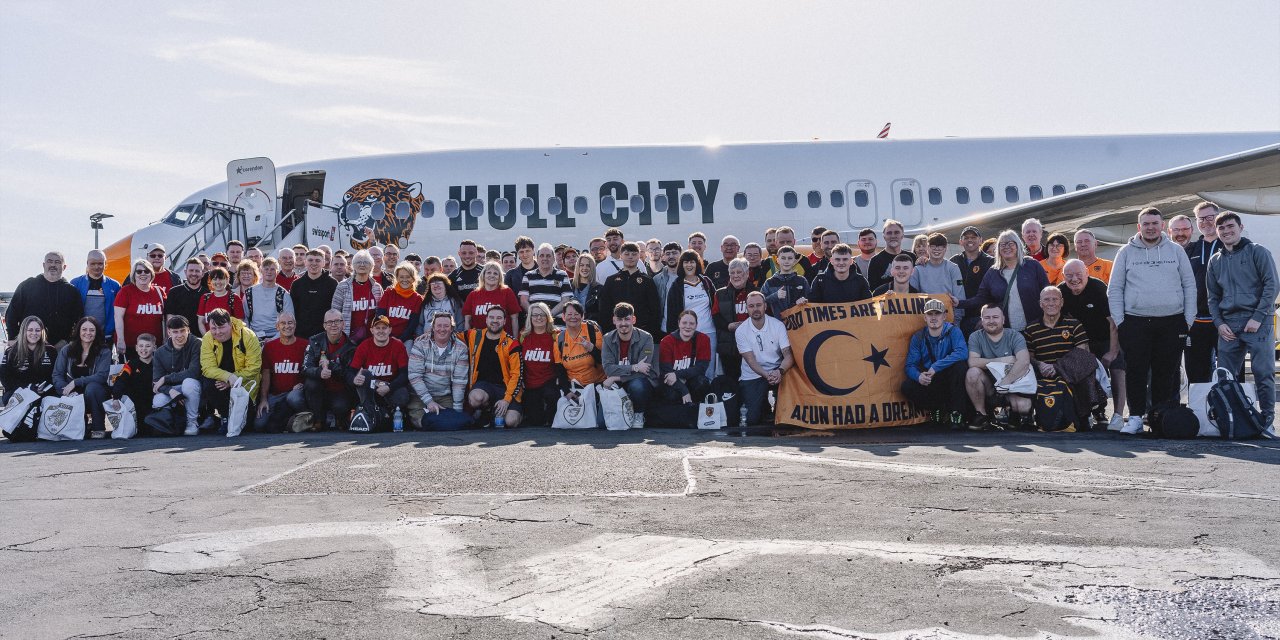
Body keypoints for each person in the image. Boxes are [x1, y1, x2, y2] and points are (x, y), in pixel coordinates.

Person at [1108, 207, 1197, 434]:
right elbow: (1115, 289)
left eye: (1154, 223)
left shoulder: (1176, 251)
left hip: (1172, 322)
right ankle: (1136, 417)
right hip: (1135, 322)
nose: (1150, 227)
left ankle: (1159, 418)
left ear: (1162, 226)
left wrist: (1187, 320)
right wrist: (1121, 321)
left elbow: (1189, 285)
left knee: (1165, 373)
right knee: (1136, 371)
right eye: (1145, 224)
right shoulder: (1126, 252)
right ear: (1139, 227)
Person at [1206, 211, 1277, 433]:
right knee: (1225, 375)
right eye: (1222, 228)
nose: (1226, 231)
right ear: (1217, 232)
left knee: (1263, 373)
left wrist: (1257, 317)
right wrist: (1219, 323)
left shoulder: (1258, 252)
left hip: (1259, 323)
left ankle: (1266, 421)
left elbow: (1272, 285)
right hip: (1229, 325)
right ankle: (1234, 419)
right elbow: (1213, 296)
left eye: (1230, 226)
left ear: (1240, 227)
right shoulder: (1215, 260)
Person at [1059, 260, 1127, 430]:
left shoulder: (1099, 288)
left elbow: (1113, 322)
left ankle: (1118, 415)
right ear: (1063, 276)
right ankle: (1087, 412)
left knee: (1118, 365)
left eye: (1078, 274)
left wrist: (1112, 352)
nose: (1074, 279)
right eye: (1069, 275)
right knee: (1076, 367)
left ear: (1087, 274)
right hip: (1079, 343)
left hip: (1105, 339)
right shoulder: (1060, 291)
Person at [1023, 287, 1091, 428]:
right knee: (1024, 367)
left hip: (1068, 372)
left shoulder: (1074, 324)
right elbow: (1028, 356)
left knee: (1087, 362)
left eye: (1055, 299)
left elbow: (1082, 352)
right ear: (1040, 304)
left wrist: (1058, 367)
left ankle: (1085, 415)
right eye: (1046, 300)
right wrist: (1040, 365)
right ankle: (1026, 415)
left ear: (1062, 302)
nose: (1051, 303)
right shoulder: (1031, 328)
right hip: (1041, 371)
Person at [958, 230, 1050, 331]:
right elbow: (981, 298)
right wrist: (959, 303)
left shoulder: (1032, 265)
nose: (1007, 247)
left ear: (1018, 245)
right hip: (1007, 331)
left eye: (1011, 243)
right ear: (998, 249)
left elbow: (1047, 292)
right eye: (1002, 244)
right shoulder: (993, 272)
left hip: (1036, 327)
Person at [965, 305, 1033, 431]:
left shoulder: (1015, 335)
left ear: (1003, 319)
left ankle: (1015, 413)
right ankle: (982, 416)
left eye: (995, 317)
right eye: (987, 317)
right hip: (989, 387)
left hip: (1012, 384)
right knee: (972, 373)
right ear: (982, 320)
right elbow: (972, 362)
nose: (991, 321)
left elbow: (1024, 361)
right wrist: (1001, 360)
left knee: (1024, 407)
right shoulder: (975, 337)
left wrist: (1005, 383)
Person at [406, 311, 472, 430]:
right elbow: (415, 377)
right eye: (439, 326)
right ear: (433, 328)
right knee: (424, 423)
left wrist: (457, 412)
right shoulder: (420, 345)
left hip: (445, 396)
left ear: (452, 328)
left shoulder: (461, 348)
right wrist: (429, 401)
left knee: (455, 423)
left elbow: (459, 382)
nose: (442, 329)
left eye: (446, 326)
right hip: (420, 397)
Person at [735, 292, 793, 426]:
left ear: (765, 306)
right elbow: (751, 361)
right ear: (747, 308)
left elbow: (788, 356)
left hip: (778, 370)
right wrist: (767, 375)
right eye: (751, 306)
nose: (755, 309)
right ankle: (764, 408)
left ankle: (778, 409)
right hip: (753, 374)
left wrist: (779, 371)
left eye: (758, 305)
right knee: (752, 419)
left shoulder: (778, 325)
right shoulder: (741, 331)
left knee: (785, 420)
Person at [199, 308, 262, 430]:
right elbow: (207, 368)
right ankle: (224, 416)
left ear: (230, 324)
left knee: (248, 426)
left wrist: (234, 380)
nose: (218, 332)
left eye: (221, 327)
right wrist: (228, 377)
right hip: (222, 382)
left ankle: (240, 415)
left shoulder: (248, 336)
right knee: (208, 382)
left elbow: (254, 368)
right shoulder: (208, 338)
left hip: (245, 385)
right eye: (213, 328)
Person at [5, 251, 83, 348]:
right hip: (29, 345)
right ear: (43, 265)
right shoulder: (27, 286)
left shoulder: (72, 292)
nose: (53, 265)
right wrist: (13, 338)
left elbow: (78, 320)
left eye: (57, 262)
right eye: (49, 261)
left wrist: (67, 341)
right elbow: (12, 313)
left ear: (64, 267)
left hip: (59, 348)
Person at [463, 307, 523, 428]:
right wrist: (429, 334)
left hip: (506, 389)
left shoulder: (512, 343)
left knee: (511, 421)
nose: (495, 320)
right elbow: (450, 335)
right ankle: (487, 410)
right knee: (476, 398)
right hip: (484, 386)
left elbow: (517, 375)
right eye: (492, 317)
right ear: (486, 320)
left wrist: (506, 400)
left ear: (505, 321)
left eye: (499, 318)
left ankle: (517, 413)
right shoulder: (475, 335)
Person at [1184, 201, 1224, 384]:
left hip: (1225, 321)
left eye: (1211, 217)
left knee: (1229, 371)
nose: (1206, 222)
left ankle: (1233, 410)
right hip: (1196, 322)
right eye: (1202, 218)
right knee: (1196, 373)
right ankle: (1200, 411)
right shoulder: (1188, 250)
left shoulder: (1230, 246)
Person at [53, 317, 113, 437]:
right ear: (78, 331)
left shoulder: (104, 351)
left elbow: (101, 376)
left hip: (96, 393)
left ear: (97, 332)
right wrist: (64, 389)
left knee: (92, 388)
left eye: (92, 330)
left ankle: (98, 427)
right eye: (84, 329)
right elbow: (57, 374)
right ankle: (80, 426)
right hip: (73, 393)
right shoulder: (67, 350)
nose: (88, 333)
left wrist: (76, 382)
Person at [601, 302, 658, 426]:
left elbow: (645, 371)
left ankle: (639, 414)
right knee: (601, 423)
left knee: (638, 386)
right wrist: (635, 367)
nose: (623, 324)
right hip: (617, 383)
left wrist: (616, 377)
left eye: (627, 319)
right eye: (619, 319)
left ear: (633, 319)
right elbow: (608, 369)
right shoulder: (607, 338)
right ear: (614, 320)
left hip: (637, 381)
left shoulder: (646, 338)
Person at [349, 313, 412, 423]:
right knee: (362, 376)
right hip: (370, 389)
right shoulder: (363, 346)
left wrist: (389, 387)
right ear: (372, 330)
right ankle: (367, 413)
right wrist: (354, 379)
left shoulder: (398, 345)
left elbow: (404, 374)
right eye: (377, 328)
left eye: (384, 328)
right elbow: (351, 371)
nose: (381, 331)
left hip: (390, 387)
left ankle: (390, 416)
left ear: (390, 330)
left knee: (402, 396)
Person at [301, 310, 357, 431]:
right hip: (320, 389)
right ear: (324, 325)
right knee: (311, 384)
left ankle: (340, 418)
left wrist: (331, 365)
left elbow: (349, 375)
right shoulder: (314, 341)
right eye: (330, 322)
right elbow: (305, 367)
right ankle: (318, 420)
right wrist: (319, 372)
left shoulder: (352, 346)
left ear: (343, 324)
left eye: (337, 321)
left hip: (340, 390)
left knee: (340, 407)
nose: (333, 324)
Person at [254, 313, 309, 433]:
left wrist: (303, 384)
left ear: (295, 325)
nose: (287, 326)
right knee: (259, 424)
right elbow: (266, 374)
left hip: (295, 393)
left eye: (290, 323)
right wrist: (264, 399)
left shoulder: (305, 345)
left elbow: (309, 370)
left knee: (294, 398)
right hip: (276, 395)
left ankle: (306, 418)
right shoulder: (269, 347)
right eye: (283, 323)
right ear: (277, 326)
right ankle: (291, 420)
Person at [666, 249, 718, 374]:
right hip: (687, 333)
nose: (689, 265)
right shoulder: (677, 285)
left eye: (692, 262)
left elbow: (715, 305)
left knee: (709, 369)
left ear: (697, 263)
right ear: (681, 264)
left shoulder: (706, 282)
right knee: (689, 369)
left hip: (709, 331)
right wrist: (674, 335)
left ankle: (709, 393)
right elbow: (672, 314)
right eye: (686, 262)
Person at [152, 316, 203, 436]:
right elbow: (155, 382)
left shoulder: (197, 343)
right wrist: (170, 391)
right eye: (175, 332)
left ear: (188, 330)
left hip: (195, 387)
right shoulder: (160, 352)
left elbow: (193, 372)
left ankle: (192, 422)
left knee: (188, 383)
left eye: (182, 331)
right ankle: (172, 423)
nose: (179, 335)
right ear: (169, 332)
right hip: (173, 390)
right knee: (158, 400)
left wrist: (166, 378)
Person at [600, 242, 661, 336]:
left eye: (634, 254)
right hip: (617, 332)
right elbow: (605, 309)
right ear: (621, 256)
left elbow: (655, 310)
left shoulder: (647, 281)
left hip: (642, 332)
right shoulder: (611, 281)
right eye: (627, 254)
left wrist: (650, 331)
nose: (630, 257)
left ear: (639, 256)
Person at [512, 303, 559, 426]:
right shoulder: (523, 336)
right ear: (530, 318)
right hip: (530, 384)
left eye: (542, 314)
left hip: (549, 382)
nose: (539, 318)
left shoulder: (555, 335)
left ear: (548, 317)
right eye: (535, 315)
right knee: (535, 421)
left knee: (551, 398)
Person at [115, 259, 167, 360]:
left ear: (151, 274)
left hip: (155, 347)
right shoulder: (125, 291)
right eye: (139, 271)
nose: (143, 274)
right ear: (134, 274)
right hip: (131, 346)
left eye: (146, 271)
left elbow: (166, 317)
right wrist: (120, 340)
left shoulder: (159, 291)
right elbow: (118, 317)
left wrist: (166, 338)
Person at [658, 310, 712, 405]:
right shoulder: (666, 341)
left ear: (696, 325)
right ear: (679, 323)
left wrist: (677, 374)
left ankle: (696, 409)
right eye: (684, 323)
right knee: (671, 394)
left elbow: (701, 368)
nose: (688, 326)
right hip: (672, 381)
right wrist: (684, 391)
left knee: (702, 382)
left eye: (692, 323)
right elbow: (666, 373)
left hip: (690, 378)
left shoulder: (704, 339)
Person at [713, 258, 754, 380]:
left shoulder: (756, 292)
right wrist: (728, 326)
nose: (735, 276)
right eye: (732, 273)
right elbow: (715, 316)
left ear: (746, 274)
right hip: (728, 345)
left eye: (739, 272)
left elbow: (763, 315)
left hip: (752, 345)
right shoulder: (719, 294)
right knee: (731, 380)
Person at [70, 250, 122, 347]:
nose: (96, 267)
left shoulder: (114, 286)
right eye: (93, 263)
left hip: (105, 337)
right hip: (82, 336)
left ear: (105, 264)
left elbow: (119, 313)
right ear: (87, 263)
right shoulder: (75, 283)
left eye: (100, 263)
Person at [331, 249, 383, 345]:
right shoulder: (343, 286)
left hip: (372, 339)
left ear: (371, 266)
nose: (362, 265)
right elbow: (335, 312)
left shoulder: (376, 287)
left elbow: (381, 312)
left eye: (366, 262)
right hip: (348, 339)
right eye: (358, 262)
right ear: (353, 265)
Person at [1, 316, 57, 404]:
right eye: (30, 330)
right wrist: (28, 389)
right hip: (18, 394)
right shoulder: (11, 352)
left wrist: (43, 389)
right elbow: (5, 378)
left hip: (44, 393)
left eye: (37, 330)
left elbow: (55, 376)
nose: (34, 333)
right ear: (24, 331)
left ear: (42, 332)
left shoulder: (51, 351)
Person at [554, 300, 606, 393]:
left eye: (577, 314)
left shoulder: (592, 330)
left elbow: (605, 361)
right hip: (574, 388)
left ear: (582, 316)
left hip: (598, 385)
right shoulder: (559, 338)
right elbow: (560, 369)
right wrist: (567, 392)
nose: (573, 317)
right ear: (563, 317)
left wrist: (592, 349)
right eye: (569, 314)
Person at [950, 227, 995, 335]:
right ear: (961, 241)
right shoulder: (954, 261)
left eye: (973, 237)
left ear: (980, 240)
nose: (970, 240)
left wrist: (985, 318)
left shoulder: (990, 262)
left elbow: (993, 294)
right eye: (966, 237)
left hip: (978, 319)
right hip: (957, 317)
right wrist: (924, 260)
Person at [462, 261, 521, 336]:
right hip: (478, 341)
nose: (492, 275)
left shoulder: (507, 292)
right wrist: (468, 341)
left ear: (500, 277)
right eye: (489, 273)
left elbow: (514, 319)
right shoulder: (473, 295)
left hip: (503, 341)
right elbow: (467, 321)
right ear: (483, 275)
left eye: (495, 273)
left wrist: (515, 341)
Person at [110, 333, 156, 425]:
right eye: (141, 346)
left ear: (154, 348)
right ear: (136, 348)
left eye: (148, 346)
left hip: (153, 402)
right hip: (135, 403)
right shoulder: (130, 365)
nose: (144, 349)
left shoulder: (158, 364)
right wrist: (116, 398)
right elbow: (120, 380)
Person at [244, 257, 295, 342]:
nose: (269, 271)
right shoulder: (249, 293)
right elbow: (245, 318)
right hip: (254, 336)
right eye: (266, 269)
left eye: (272, 269)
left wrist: (273, 339)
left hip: (277, 336)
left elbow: (290, 321)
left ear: (277, 272)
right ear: (261, 270)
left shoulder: (283, 294)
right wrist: (252, 336)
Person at [911, 232, 965, 311]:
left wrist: (956, 321)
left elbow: (959, 297)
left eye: (940, 246)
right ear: (928, 248)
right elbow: (912, 297)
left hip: (949, 318)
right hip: (925, 317)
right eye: (933, 246)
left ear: (945, 248)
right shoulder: (918, 269)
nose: (937, 249)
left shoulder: (953, 268)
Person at [519, 243, 573, 320]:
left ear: (554, 259)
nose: (545, 258)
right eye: (542, 256)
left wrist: (548, 316)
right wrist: (536, 316)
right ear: (537, 258)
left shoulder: (562, 275)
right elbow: (523, 301)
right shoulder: (528, 276)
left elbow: (566, 300)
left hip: (557, 325)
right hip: (535, 325)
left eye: (548, 256)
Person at [808, 244, 873, 303]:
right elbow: (811, 305)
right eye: (837, 259)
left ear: (851, 261)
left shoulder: (861, 281)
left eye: (845, 259)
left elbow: (870, 305)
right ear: (832, 261)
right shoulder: (820, 281)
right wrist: (803, 303)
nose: (841, 263)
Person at [377, 262, 425, 342]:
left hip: (405, 339)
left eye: (408, 277)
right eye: (401, 277)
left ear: (413, 278)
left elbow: (412, 325)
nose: (404, 280)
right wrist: (385, 336)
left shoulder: (417, 299)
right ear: (397, 278)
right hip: (385, 336)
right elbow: (380, 316)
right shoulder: (389, 293)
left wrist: (400, 339)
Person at [865, 220, 915, 291]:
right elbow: (873, 289)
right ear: (884, 236)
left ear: (902, 236)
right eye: (889, 233)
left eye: (896, 232)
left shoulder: (912, 257)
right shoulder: (875, 261)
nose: (893, 236)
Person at [761, 246, 808, 317]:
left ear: (795, 261)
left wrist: (803, 301)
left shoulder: (802, 281)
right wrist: (775, 296)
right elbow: (761, 302)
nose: (786, 261)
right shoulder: (769, 282)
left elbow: (811, 300)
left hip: (798, 323)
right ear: (777, 260)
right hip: (777, 324)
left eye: (790, 258)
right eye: (783, 258)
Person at [165, 258, 207, 337]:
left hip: (202, 340)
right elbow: (170, 319)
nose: (194, 274)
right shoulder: (174, 292)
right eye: (191, 270)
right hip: (180, 339)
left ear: (202, 274)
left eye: (197, 271)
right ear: (185, 272)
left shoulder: (207, 294)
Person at [196, 267, 243, 335]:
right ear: (211, 281)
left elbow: (239, 323)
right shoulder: (205, 298)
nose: (218, 282)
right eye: (214, 279)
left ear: (227, 280)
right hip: (210, 341)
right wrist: (208, 338)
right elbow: (201, 322)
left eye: (221, 278)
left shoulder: (234, 298)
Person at [651, 242, 682, 333]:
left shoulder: (688, 277)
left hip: (686, 328)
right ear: (663, 257)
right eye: (668, 254)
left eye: (674, 253)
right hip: (665, 328)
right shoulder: (657, 279)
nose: (671, 256)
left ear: (681, 255)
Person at [569, 254, 602, 326]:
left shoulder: (599, 288)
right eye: (581, 265)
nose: (584, 268)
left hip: (589, 329)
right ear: (578, 267)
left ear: (592, 268)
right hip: (569, 328)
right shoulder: (569, 285)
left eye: (588, 265)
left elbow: (601, 314)